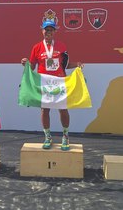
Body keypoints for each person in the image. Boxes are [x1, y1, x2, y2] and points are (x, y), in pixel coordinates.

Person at [21, 20, 83, 151]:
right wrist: (25, 63)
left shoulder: (61, 46)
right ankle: (47, 136)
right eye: (46, 30)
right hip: (43, 82)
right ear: (42, 31)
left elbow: (65, 64)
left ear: (55, 32)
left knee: (63, 109)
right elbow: (32, 66)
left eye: (51, 30)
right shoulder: (36, 47)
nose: (48, 32)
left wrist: (77, 64)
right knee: (45, 110)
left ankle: (65, 136)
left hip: (59, 81)